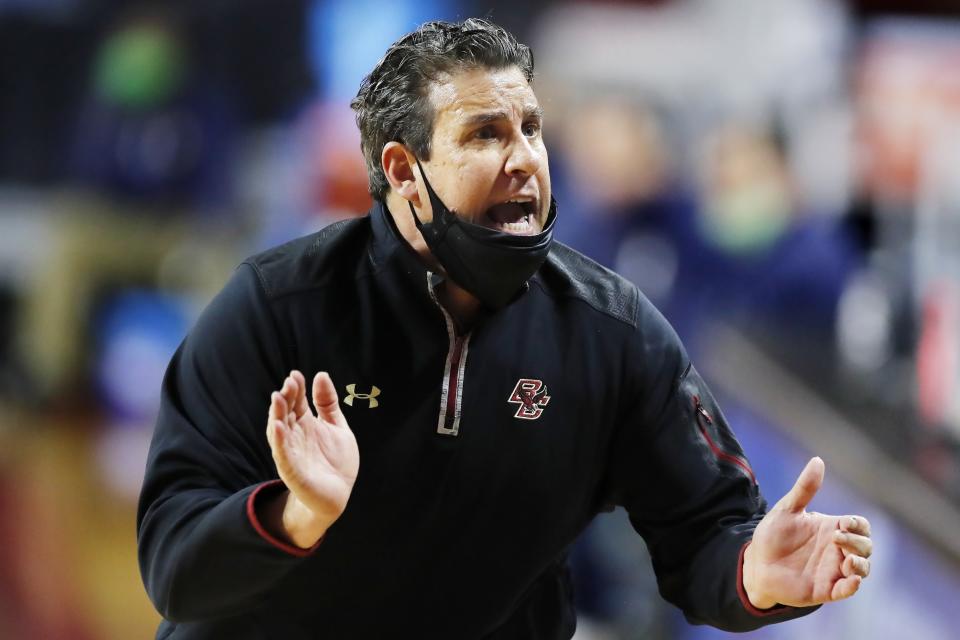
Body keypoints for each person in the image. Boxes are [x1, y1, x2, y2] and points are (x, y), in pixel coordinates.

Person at [136, 18, 873, 639]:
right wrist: (299, 514)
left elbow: (707, 531)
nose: (524, 158)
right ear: (402, 169)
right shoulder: (277, 306)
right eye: (486, 134)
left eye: (531, 128)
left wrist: (756, 572)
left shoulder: (611, 332)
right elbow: (175, 567)